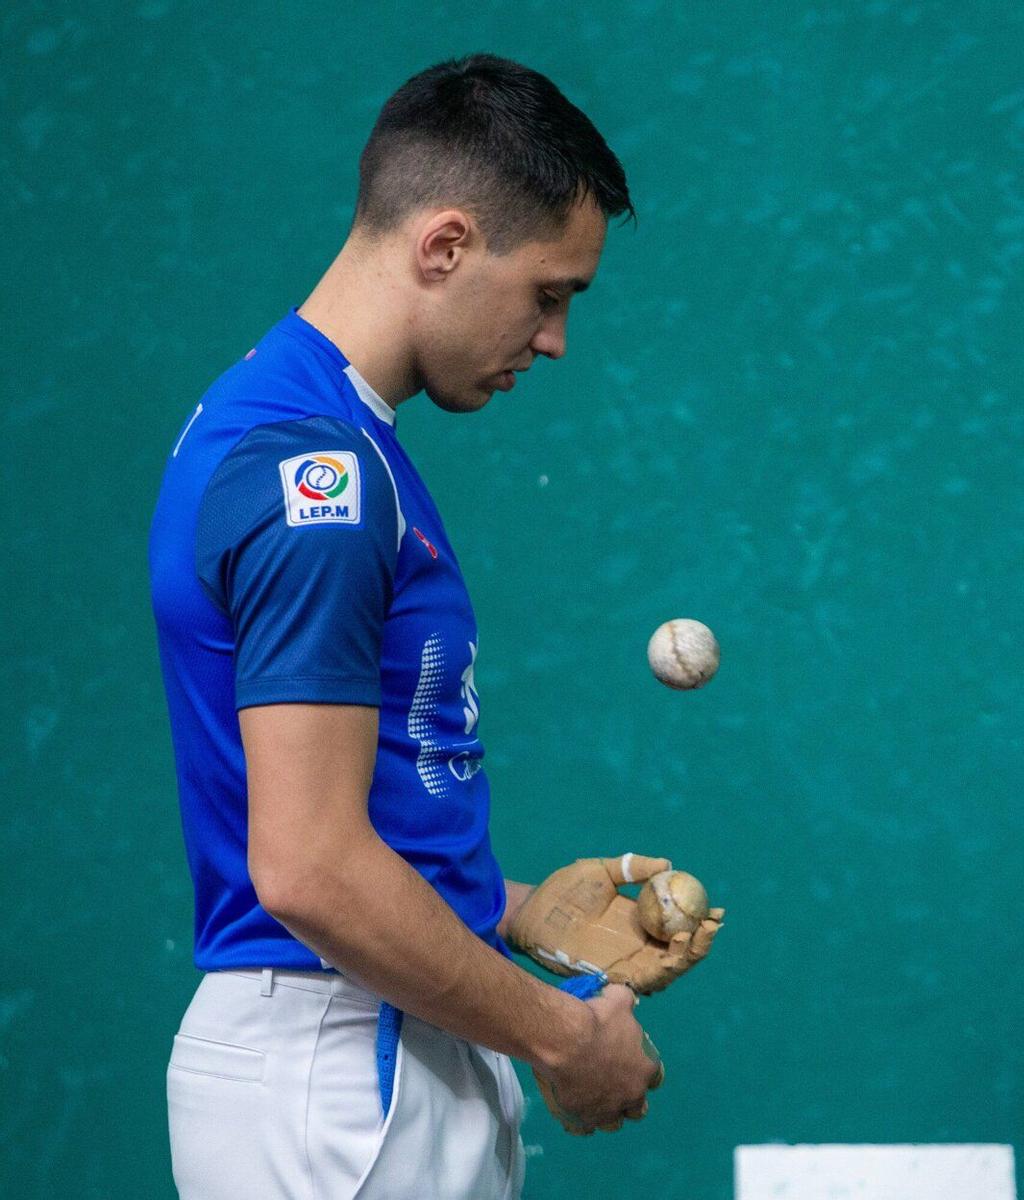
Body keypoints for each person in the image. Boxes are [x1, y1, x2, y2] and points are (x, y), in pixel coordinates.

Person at [150, 55, 661, 1198]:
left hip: (371, 1052)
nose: (556, 338)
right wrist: (564, 1036)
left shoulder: (331, 438)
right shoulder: (313, 476)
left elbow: (341, 818)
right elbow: (309, 867)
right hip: (336, 1074)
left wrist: (528, 914)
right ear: (443, 245)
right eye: (548, 292)